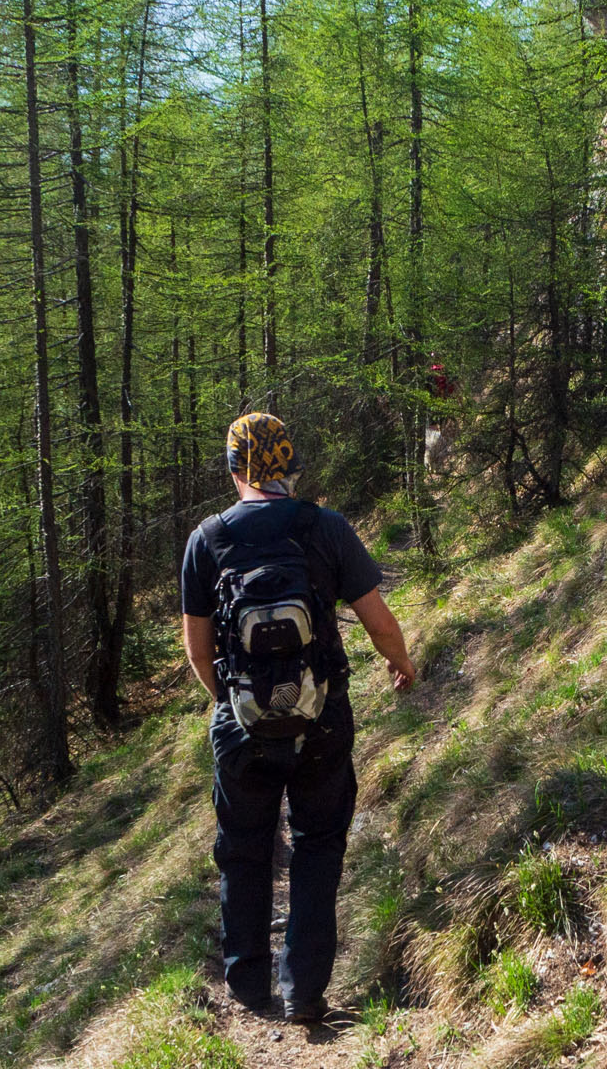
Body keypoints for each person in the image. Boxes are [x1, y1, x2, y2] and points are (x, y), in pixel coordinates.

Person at [180, 412, 417, 1023]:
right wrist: (402, 664)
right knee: (317, 843)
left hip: (242, 725)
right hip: (322, 718)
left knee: (244, 848)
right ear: (289, 464)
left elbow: (199, 651)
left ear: (234, 468)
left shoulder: (208, 540)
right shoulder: (325, 528)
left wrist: (230, 704)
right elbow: (379, 620)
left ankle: (248, 986)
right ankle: (304, 989)